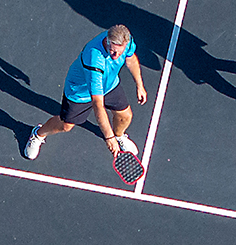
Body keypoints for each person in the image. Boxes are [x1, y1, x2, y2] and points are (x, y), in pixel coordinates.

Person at [23, 25, 148, 164]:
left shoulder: (127, 41)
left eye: (119, 52)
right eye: (112, 51)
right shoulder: (94, 59)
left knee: (125, 116)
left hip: (109, 84)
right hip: (81, 93)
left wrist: (139, 85)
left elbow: (131, 59)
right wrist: (109, 137)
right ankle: (38, 134)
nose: (115, 56)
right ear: (107, 41)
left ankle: (119, 136)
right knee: (65, 126)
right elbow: (97, 104)